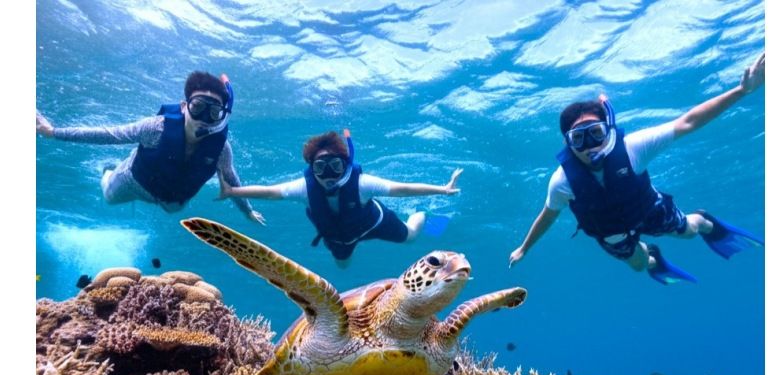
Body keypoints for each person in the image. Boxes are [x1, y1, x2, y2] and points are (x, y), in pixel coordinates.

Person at [508, 53, 765, 284]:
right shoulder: (562, 181)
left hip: (649, 208)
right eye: (579, 139)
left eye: (596, 133)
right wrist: (524, 248)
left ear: (608, 129)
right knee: (640, 266)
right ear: (568, 142)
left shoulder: (633, 148)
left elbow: (689, 122)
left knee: (688, 232)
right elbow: (548, 215)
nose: (589, 146)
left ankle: (704, 220)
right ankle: (652, 256)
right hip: (611, 232)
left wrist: (741, 91)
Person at [36, 71, 264, 225]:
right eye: (198, 107)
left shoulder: (221, 149)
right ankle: (108, 171)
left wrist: (247, 211)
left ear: (221, 118)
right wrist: (52, 132)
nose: (205, 118)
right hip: (132, 182)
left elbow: (232, 181)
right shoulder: (155, 128)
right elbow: (108, 134)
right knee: (108, 196)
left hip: (173, 201)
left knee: (175, 210)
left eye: (214, 112)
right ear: (184, 107)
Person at [219, 130, 462, 268]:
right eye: (320, 167)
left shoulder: (361, 184)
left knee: (410, 236)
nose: (327, 175)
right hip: (340, 237)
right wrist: (231, 192)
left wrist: (442, 189)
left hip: (375, 223)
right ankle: (352, 247)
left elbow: (402, 189)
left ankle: (421, 214)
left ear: (345, 166)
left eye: (334, 166)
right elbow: (271, 192)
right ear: (312, 168)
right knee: (342, 265)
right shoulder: (305, 188)